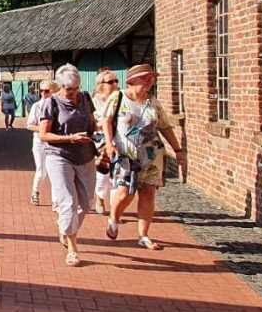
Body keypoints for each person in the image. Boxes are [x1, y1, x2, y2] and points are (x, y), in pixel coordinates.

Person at [102, 64, 185, 251]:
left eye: (151, 78)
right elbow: (106, 120)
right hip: (126, 155)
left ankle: (143, 236)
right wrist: (109, 143)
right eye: (145, 78)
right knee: (125, 193)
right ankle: (114, 217)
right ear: (131, 81)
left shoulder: (153, 102)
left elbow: (164, 127)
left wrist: (178, 151)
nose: (149, 82)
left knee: (148, 193)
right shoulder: (119, 97)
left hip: (152, 156)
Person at [35, 65, 98, 266]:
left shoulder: (86, 98)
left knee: (87, 203)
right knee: (68, 202)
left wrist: (98, 140)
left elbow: (92, 123)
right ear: (59, 87)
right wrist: (70, 138)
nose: (73, 93)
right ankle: (72, 247)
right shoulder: (50, 103)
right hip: (59, 156)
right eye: (69, 90)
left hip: (85, 155)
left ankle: (65, 227)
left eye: (76, 88)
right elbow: (44, 135)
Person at [90, 68, 120, 215]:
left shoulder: (122, 99)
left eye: (116, 81)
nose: (115, 84)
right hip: (100, 141)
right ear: (101, 84)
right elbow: (93, 122)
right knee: (103, 173)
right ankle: (100, 197)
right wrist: (104, 122)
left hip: (120, 140)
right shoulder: (94, 102)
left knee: (119, 176)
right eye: (110, 82)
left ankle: (115, 210)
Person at [25, 79, 57, 206]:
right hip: (39, 142)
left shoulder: (58, 105)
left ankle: (56, 201)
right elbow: (29, 125)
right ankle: (35, 192)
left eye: (47, 91)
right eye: (41, 91)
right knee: (42, 171)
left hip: (54, 142)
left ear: (54, 91)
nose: (43, 93)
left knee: (55, 172)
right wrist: (43, 129)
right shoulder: (37, 106)